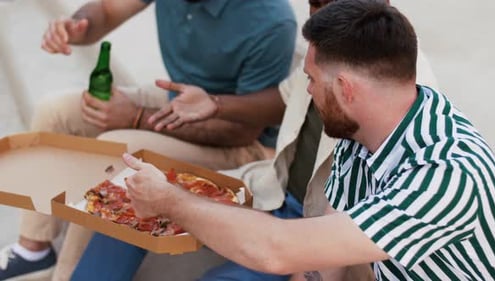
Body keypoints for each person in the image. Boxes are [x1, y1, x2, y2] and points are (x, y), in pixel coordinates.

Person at [76, 1, 495, 280]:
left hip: (292, 233)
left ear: (347, 89)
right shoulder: (370, 123)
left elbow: (279, 250)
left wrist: (171, 200)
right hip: (287, 213)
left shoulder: (446, 176)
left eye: (312, 81)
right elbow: (315, 260)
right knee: (123, 209)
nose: (306, 91)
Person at [0, 0, 297, 280]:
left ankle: (71, 275)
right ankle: (33, 250)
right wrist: (77, 25)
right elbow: (106, 10)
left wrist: (137, 116)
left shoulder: (270, 21)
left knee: (116, 151)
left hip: (241, 142)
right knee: (55, 112)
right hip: (174, 99)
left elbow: (242, 131)